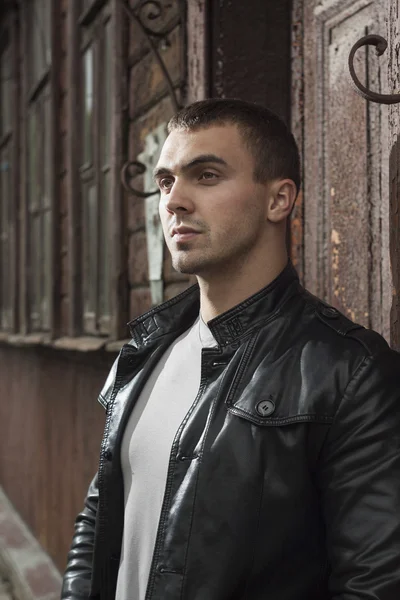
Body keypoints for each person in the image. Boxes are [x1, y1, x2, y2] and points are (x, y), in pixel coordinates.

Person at [61, 98, 400, 600]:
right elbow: (101, 515)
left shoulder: (348, 371)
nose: (174, 200)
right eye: (165, 181)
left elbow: (375, 582)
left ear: (278, 200)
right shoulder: (144, 349)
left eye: (207, 175)